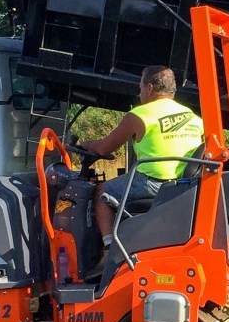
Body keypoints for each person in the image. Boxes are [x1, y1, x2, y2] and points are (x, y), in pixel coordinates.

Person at [79, 65, 204, 249]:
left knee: (102, 192)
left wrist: (85, 144)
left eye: (140, 88)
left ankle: (109, 247)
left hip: (152, 183)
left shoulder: (140, 115)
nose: (139, 93)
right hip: (184, 184)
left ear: (150, 88)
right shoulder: (193, 117)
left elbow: (105, 148)